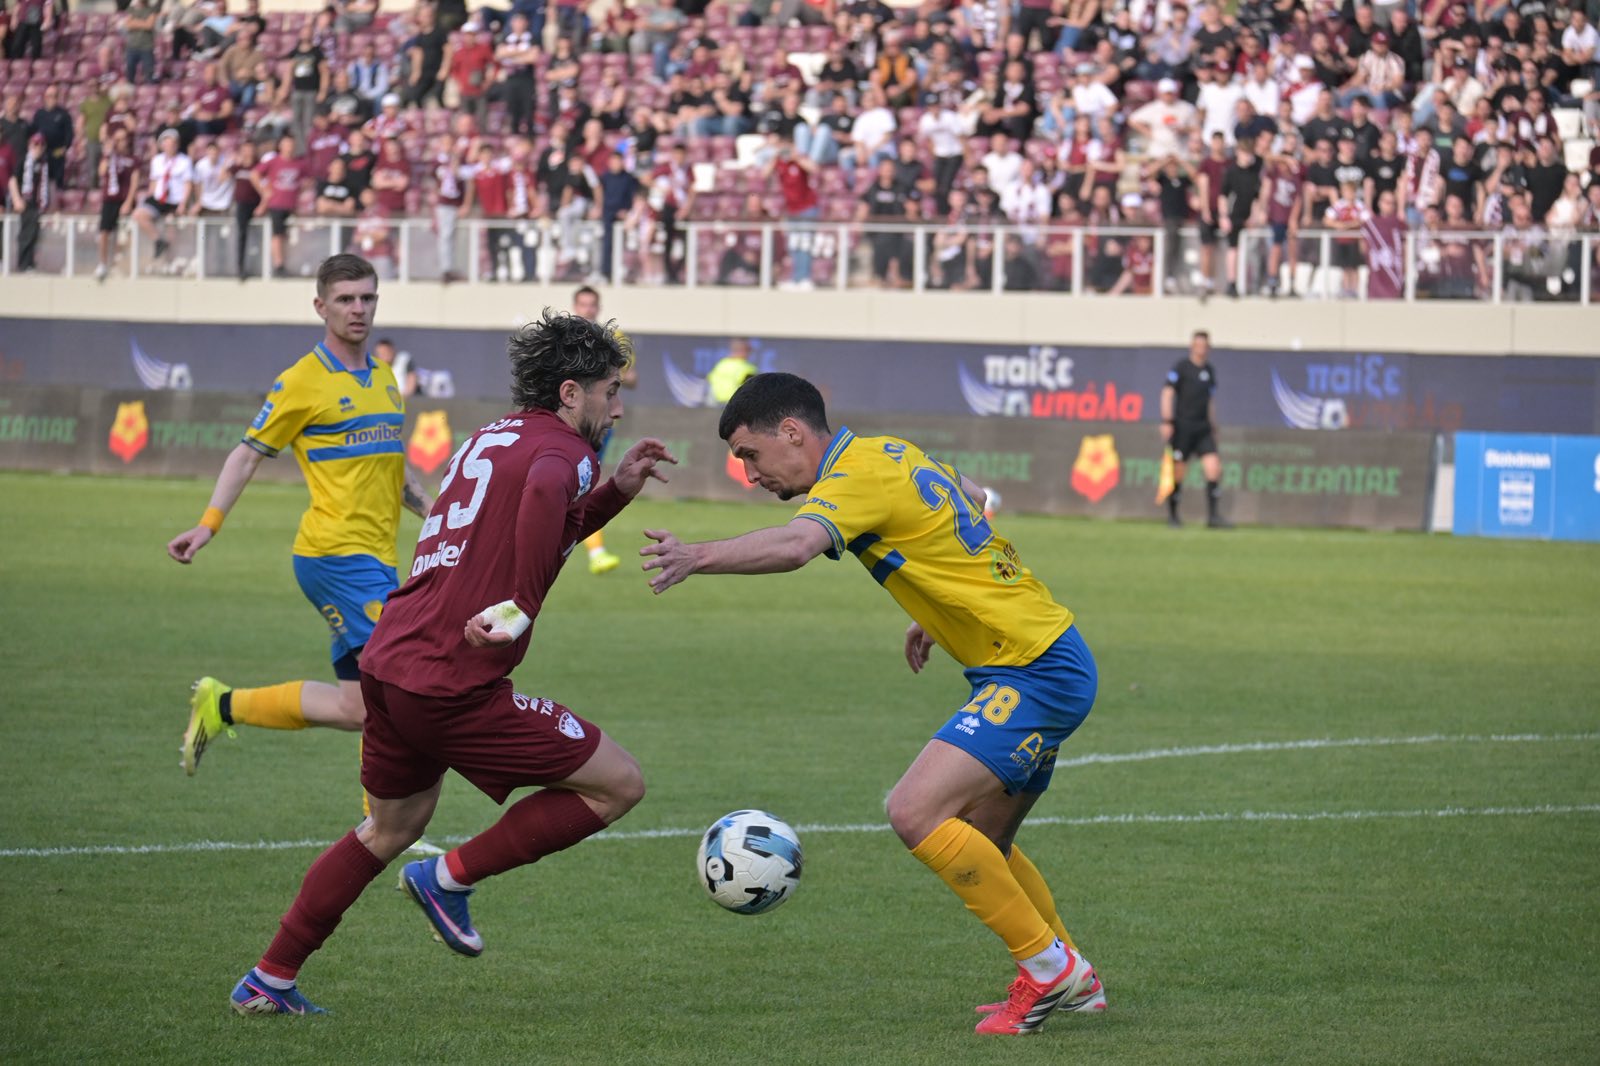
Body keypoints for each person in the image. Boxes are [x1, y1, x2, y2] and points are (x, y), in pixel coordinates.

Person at [228, 312, 675, 1016]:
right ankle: (447, 878)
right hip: (450, 679)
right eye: (610, 391)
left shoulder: (494, 436)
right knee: (618, 784)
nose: (617, 407)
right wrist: (520, 605)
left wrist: (616, 489)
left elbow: (548, 516)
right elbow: (545, 494)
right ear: (570, 392)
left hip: (390, 660)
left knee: (387, 829)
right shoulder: (565, 451)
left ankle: (268, 978)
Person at [640, 373, 1105, 1037]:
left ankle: (1049, 969)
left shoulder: (852, 476)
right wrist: (940, 606)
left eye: (750, 455)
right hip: (1042, 653)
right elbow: (971, 500)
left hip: (1035, 669)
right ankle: (1074, 979)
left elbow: (796, 546)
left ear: (792, 432)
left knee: (914, 810)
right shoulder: (889, 452)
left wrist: (697, 555)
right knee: (982, 838)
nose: (749, 473)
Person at [167, 255, 434, 784]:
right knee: (399, 687)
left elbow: (391, 464)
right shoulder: (301, 381)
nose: (358, 309)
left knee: (357, 707)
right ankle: (379, 823)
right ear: (320, 306)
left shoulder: (385, 378)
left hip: (376, 556)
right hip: (336, 555)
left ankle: (221, 706)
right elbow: (247, 454)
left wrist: (433, 512)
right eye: (345, 299)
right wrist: (208, 523)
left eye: (367, 298)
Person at [570, 284, 637, 575]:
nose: (588, 309)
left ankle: (590, 548)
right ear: (575, 306)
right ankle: (592, 550)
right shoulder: (567, 337)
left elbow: (631, 377)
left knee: (585, 480)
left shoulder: (614, 338)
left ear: (598, 307)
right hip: (572, 419)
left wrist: (614, 372)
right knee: (580, 479)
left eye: (592, 304)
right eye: (583, 304)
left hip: (599, 422)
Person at [1159, 331, 1228, 529]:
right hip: (1183, 427)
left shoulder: (1209, 371)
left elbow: (1210, 401)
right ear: (1192, 346)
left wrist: (1213, 425)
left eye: (1204, 346)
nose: (1201, 349)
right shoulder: (1182, 367)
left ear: (1208, 348)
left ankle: (1213, 517)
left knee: (1213, 468)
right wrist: (1167, 421)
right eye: (1197, 345)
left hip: (1203, 428)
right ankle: (1173, 516)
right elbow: (1167, 393)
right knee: (1179, 471)